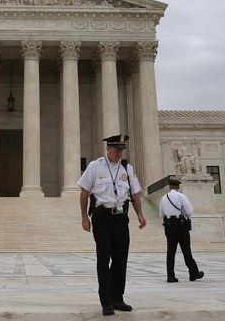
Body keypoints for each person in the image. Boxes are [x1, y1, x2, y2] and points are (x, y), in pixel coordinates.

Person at [78, 134, 147, 316]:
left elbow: (135, 193)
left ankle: (118, 298)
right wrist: (84, 217)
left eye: (122, 150)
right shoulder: (95, 166)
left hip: (121, 218)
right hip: (102, 218)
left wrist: (140, 214)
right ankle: (106, 301)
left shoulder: (127, 168)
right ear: (108, 148)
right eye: (116, 150)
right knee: (103, 260)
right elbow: (84, 192)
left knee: (120, 260)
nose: (119, 153)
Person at [159, 177, 204, 283]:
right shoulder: (181, 196)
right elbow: (189, 211)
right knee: (186, 250)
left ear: (169, 187)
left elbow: (161, 214)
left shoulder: (164, 198)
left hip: (169, 226)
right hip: (180, 225)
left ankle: (170, 275)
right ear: (178, 187)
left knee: (170, 251)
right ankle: (193, 273)